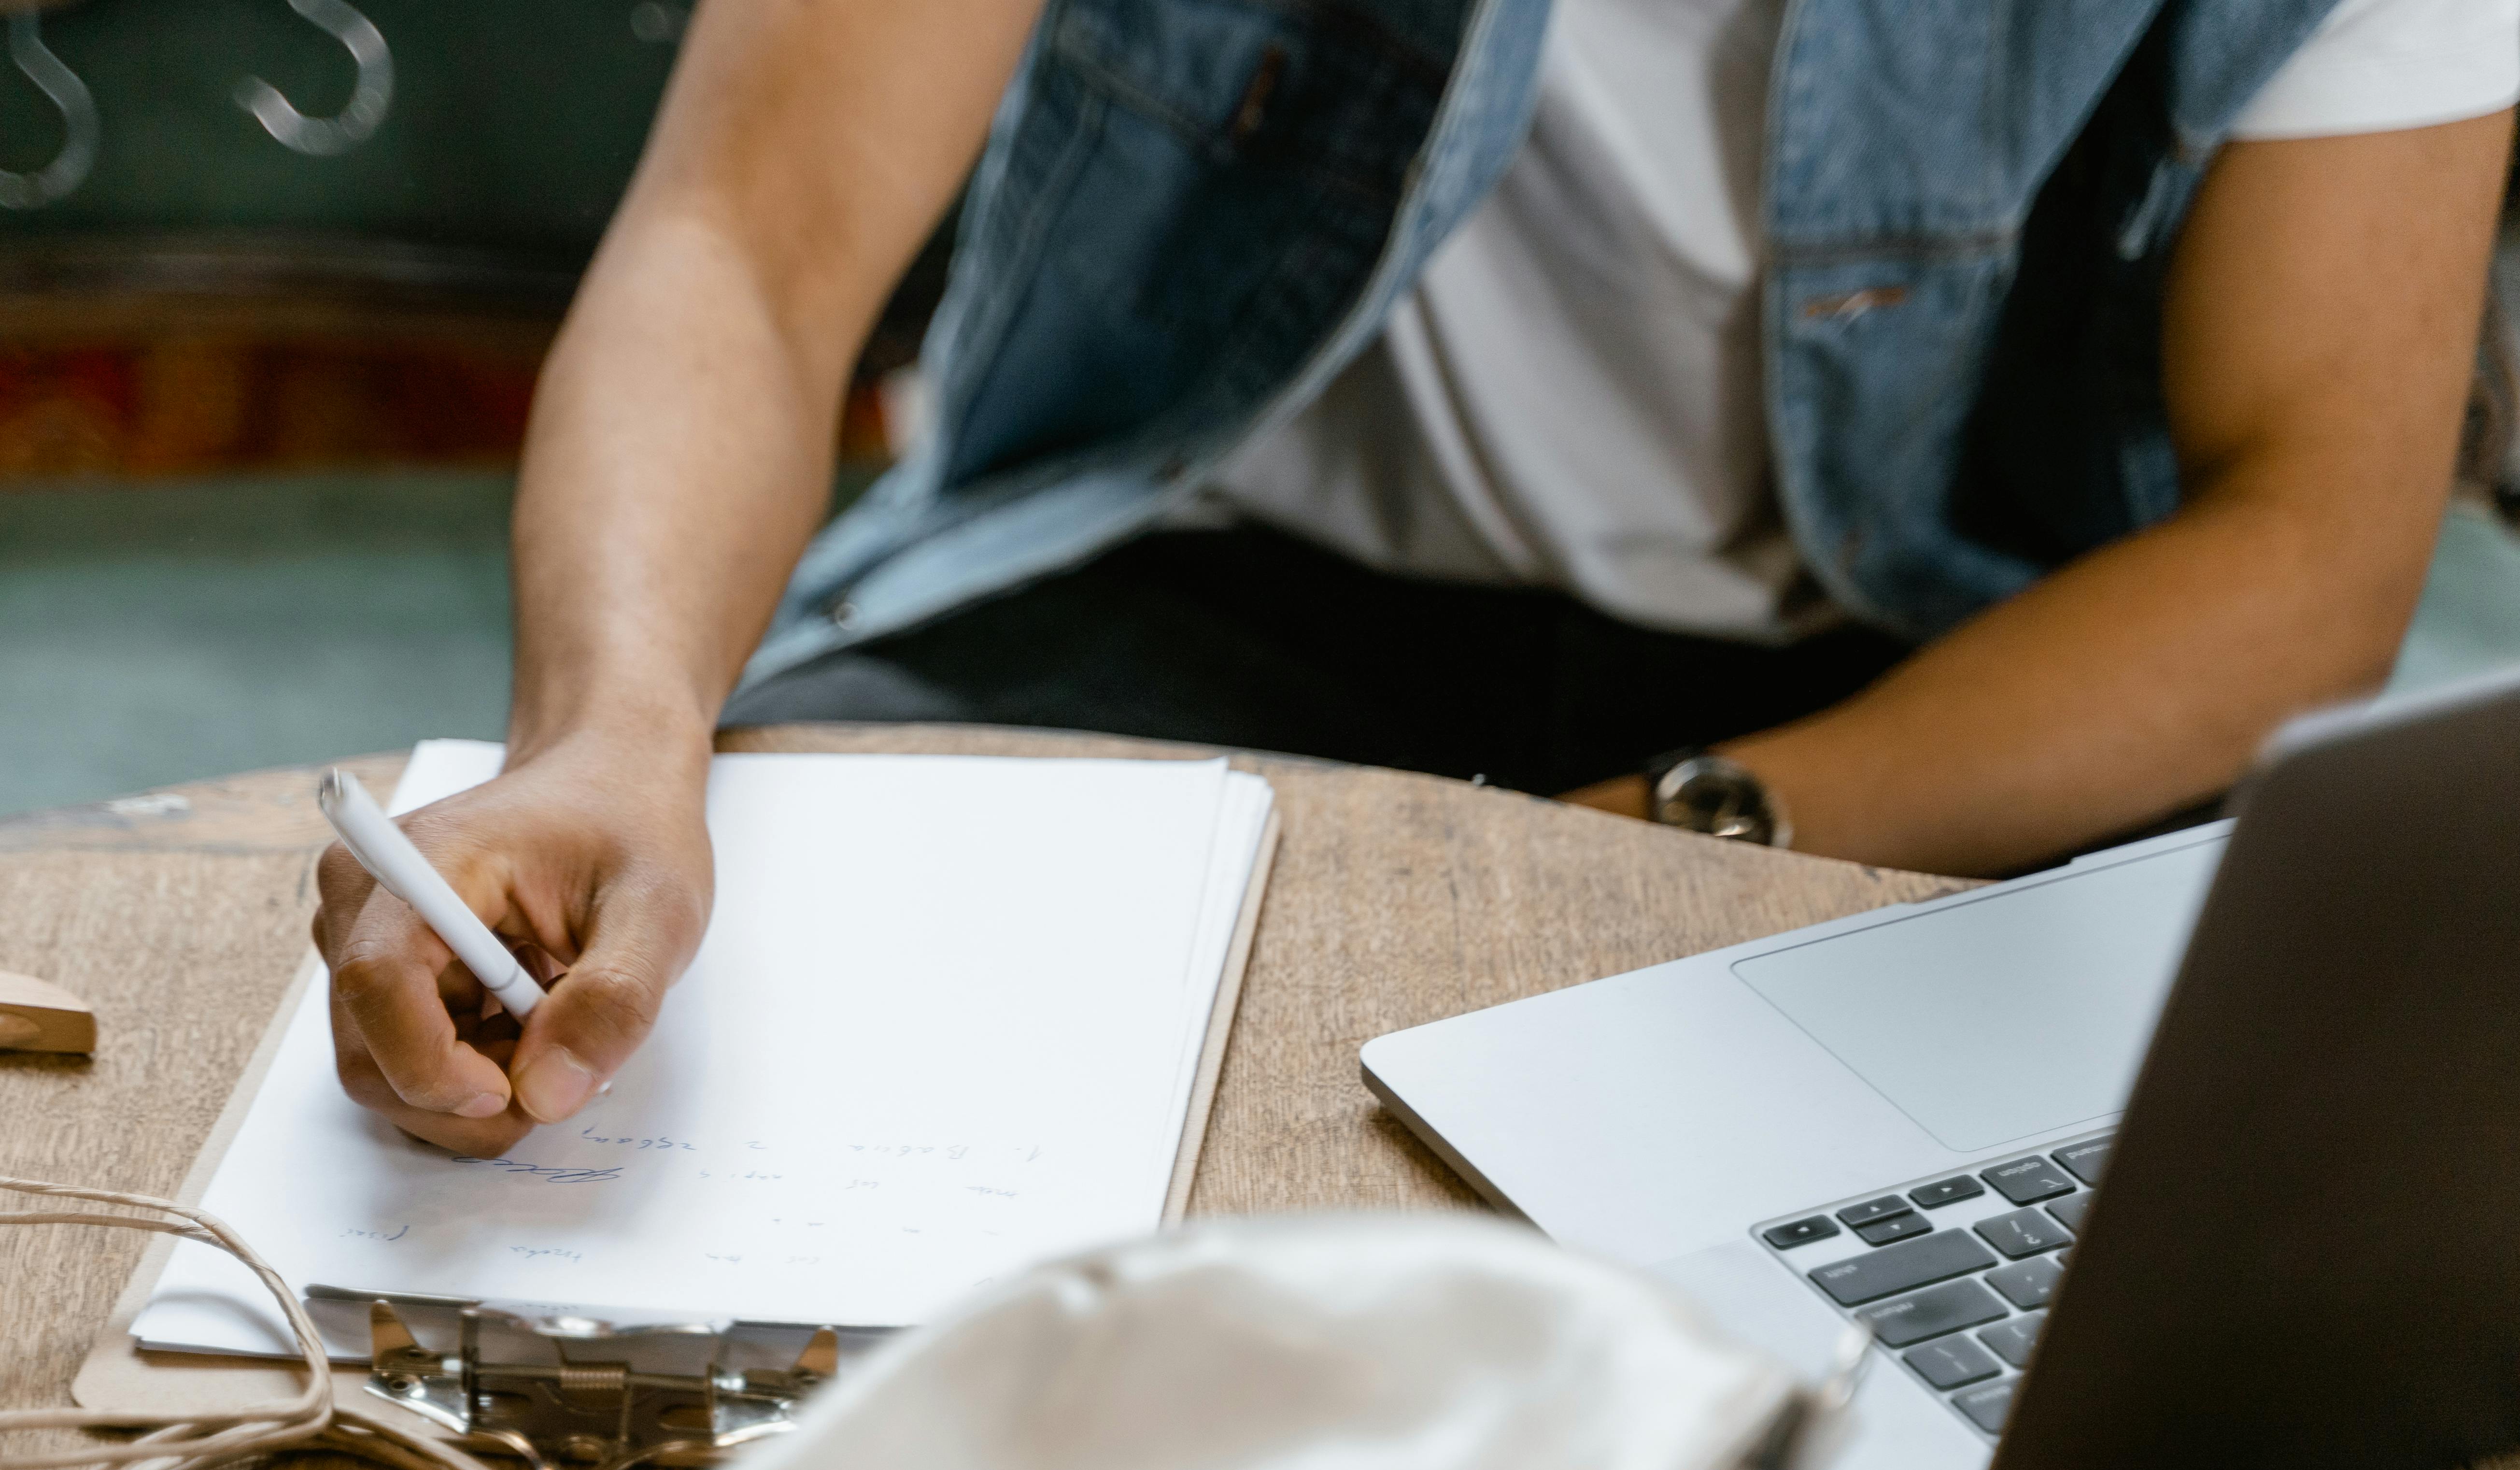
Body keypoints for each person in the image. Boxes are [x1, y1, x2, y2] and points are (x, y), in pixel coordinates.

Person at [314, 0, 2516, 1152]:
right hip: (1188, 571)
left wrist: (1651, 858)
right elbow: (748, 240)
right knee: (718, 1120)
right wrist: (611, 731)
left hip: (1954, 672)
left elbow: (2301, 542)